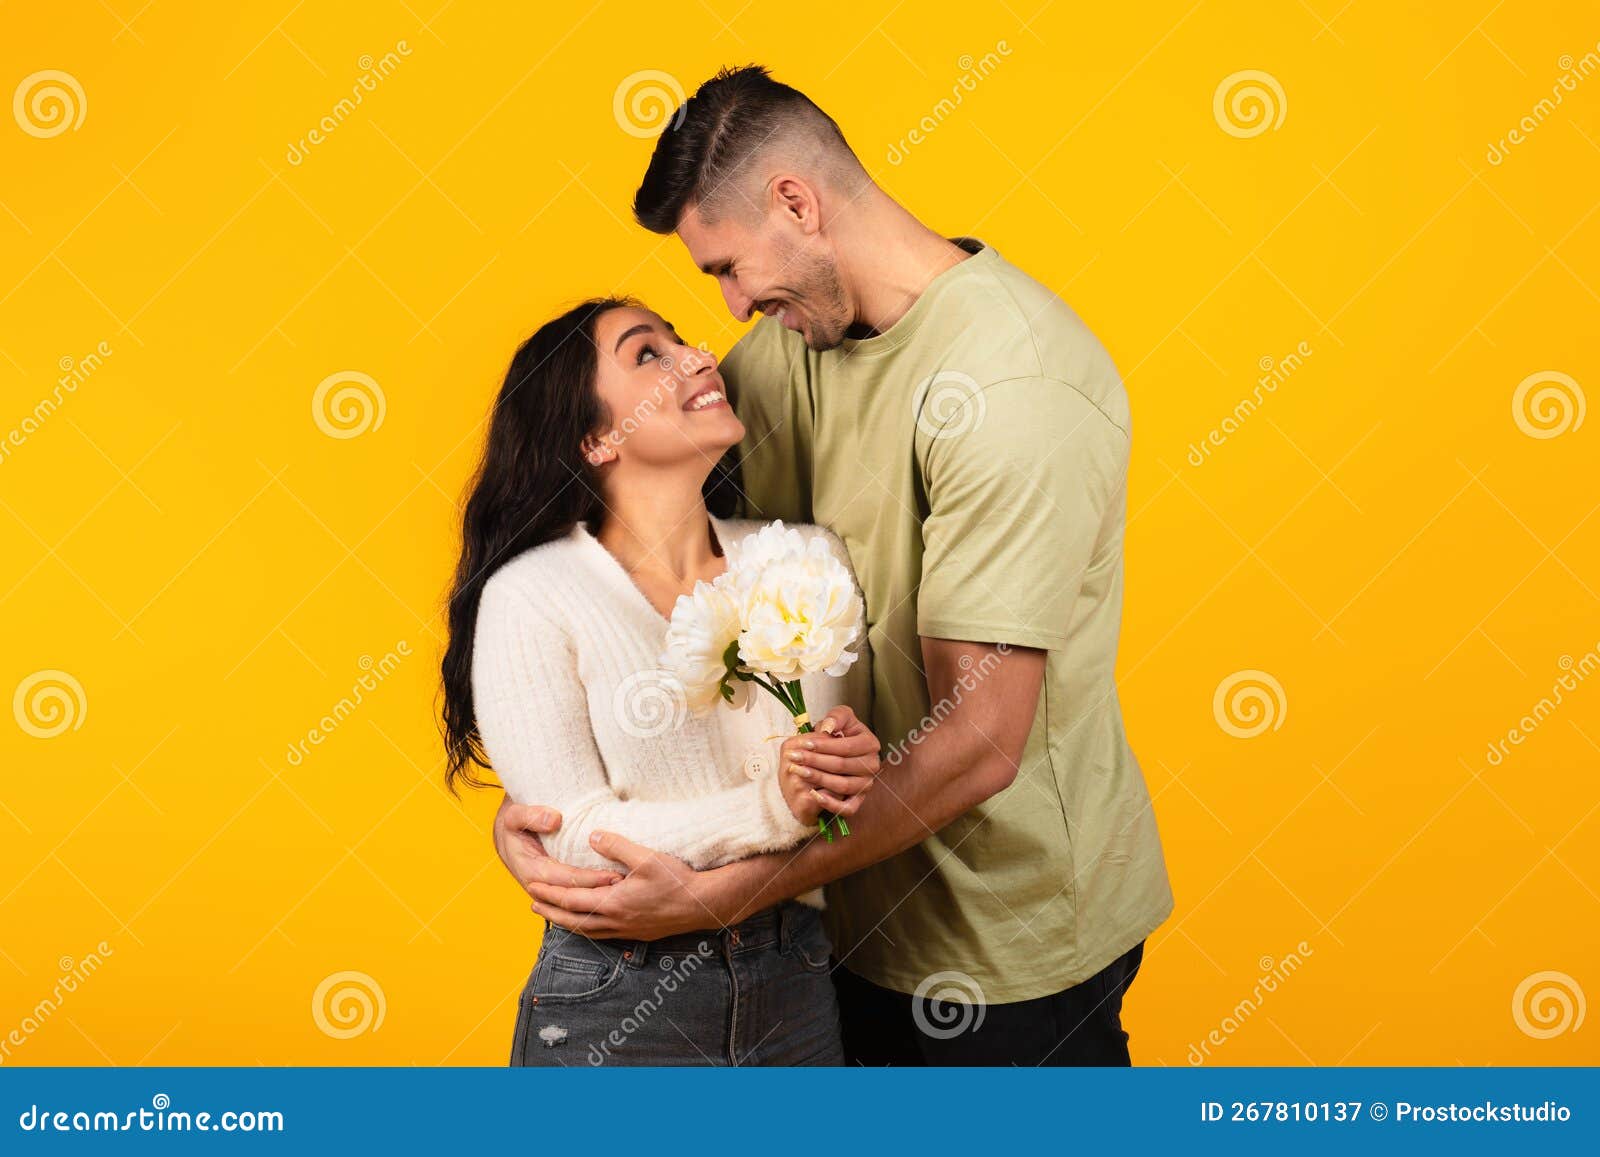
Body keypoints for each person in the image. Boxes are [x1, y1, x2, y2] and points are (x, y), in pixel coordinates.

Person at [496, 65, 1174, 1066]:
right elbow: (628, 591)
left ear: (796, 204)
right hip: (820, 931)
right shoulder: (768, 365)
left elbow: (981, 739)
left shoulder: (1014, 381)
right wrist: (549, 815)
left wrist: (717, 892)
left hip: (1000, 949)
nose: (726, 308)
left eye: (725, 267)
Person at [439, 296, 880, 1065]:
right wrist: (774, 805)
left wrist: (846, 765)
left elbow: (853, 798)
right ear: (596, 437)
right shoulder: (534, 594)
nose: (700, 355)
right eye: (649, 354)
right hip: (617, 995)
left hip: (798, 984)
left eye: (682, 340)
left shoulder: (808, 559)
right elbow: (574, 840)